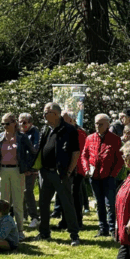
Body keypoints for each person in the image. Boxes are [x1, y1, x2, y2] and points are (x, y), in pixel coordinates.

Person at [35, 103, 81, 246]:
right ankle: (44, 232)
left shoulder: (69, 130)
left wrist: (68, 172)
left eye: (46, 112)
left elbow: (75, 153)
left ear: (56, 114)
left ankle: (74, 235)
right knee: (43, 204)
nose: (43, 115)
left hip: (61, 174)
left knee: (67, 204)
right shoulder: (45, 129)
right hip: (45, 172)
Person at [0, 112, 35, 240]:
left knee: (18, 203)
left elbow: (32, 153)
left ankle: (20, 230)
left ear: (14, 123)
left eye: (7, 123)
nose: (4, 126)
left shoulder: (22, 137)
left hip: (17, 171)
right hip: (2, 171)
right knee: (2, 202)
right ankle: (2, 230)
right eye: (2, 124)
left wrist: (27, 168)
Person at [81, 113, 123, 237]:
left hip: (108, 177)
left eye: (101, 124)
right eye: (96, 124)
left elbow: (119, 159)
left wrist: (113, 174)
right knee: (99, 203)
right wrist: (86, 169)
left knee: (110, 203)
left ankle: (112, 228)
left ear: (107, 125)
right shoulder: (90, 138)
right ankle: (102, 228)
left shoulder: (115, 139)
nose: (98, 126)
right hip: (94, 177)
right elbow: (84, 155)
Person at [59, 111, 88, 229]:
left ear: (71, 120)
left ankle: (77, 221)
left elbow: (80, 153)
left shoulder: (80, 133)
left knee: (75, 195)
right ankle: (65, 221)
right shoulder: (63, 131)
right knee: (64, 195)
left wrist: (76, 169)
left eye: (64, 119)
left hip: (76, 170)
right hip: (66, 168)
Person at [18, 113, 40, 228]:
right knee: (20, 191)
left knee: (27, 191)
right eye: (19, 122)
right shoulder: (18, 132)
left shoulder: (35, 132)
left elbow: (35, 150)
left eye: (24, 122)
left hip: (31, 168)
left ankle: (34, 217)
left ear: (30, 123)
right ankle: (23, 215)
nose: (21, 124)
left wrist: (29, 168)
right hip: (20, 167)